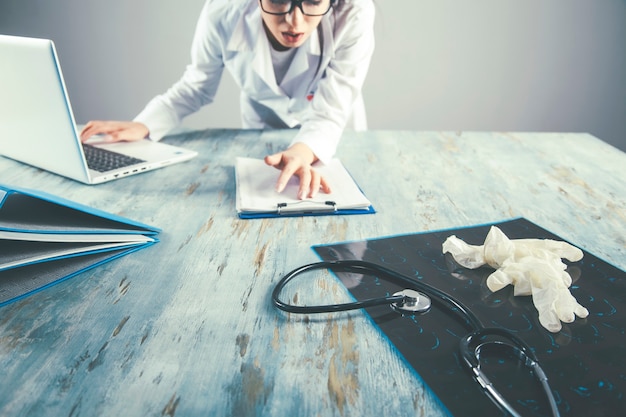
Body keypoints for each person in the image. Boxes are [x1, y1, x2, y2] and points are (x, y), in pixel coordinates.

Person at [80, 0, 375, 199]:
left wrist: (304, 149)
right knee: (263, 193)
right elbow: (197, 85)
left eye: (312, 0)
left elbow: (329, 112)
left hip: (332, 129)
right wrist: (143, 125)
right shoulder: (222, 11)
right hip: (262, 123)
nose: (294, 20)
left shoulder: (354, 12)